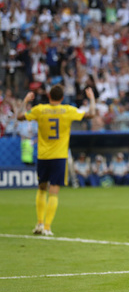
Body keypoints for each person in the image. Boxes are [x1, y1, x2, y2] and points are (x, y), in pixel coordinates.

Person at [16, 85, 96, 236]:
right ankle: (47, 227)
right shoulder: (67, 110)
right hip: (59, 156)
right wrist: (91, 97)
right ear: (62, 98)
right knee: (54, 192)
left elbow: (19, 117)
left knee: (41, 189)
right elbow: (91, 114)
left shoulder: (40, 109)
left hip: (43, 156)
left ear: (49, 96)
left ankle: (39, 223)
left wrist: (25, 101)